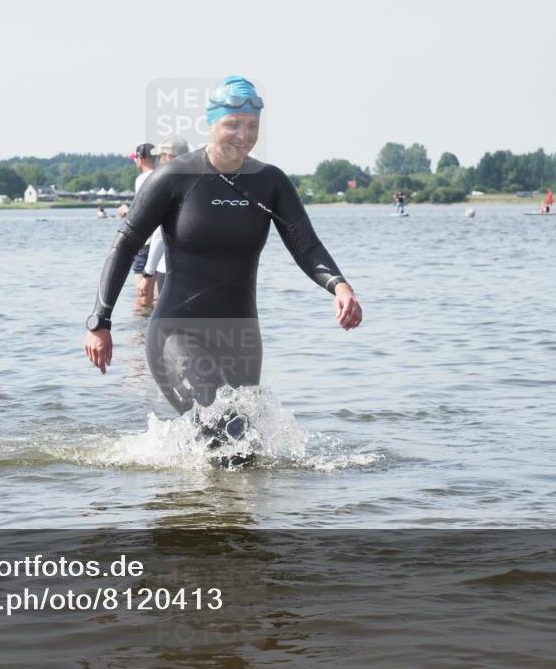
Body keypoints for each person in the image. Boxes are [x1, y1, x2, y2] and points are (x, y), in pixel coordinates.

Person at [84, 76, 362, 461]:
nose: (243, 135)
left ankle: (195, 496)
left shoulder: (270, 182)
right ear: (211, 122)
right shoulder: (174, 178)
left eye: (252, 125)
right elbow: (125, 244)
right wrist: (99, 321)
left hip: (242, 339)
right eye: (233, 124)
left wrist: (340, 286)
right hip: (177, 333)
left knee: (245, 451)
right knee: (229, 429)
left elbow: (306, 244)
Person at [138, 135, 190, 301]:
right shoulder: (199, 183)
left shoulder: (168, 186)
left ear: (171, 157)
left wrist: (147, 273)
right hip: (195, 269)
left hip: (169, 268)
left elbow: (160, 234)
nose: (159, 162)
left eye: (161, 157)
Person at [128, 143, 157, 305]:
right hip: (162, 241)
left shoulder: (142, 179)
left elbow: (141, 210)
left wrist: (126, 212)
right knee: (157, 294)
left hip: (146, 240)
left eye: (136, 159)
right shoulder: (163, 174)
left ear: (141, 158)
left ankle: (140, 319)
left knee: (142, 296)